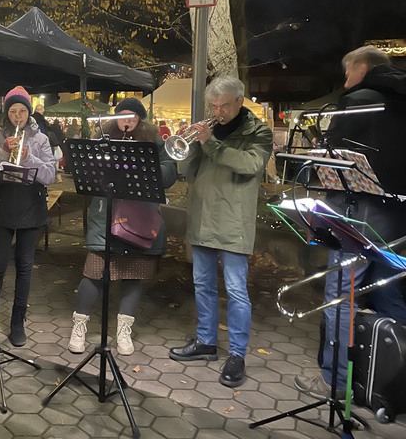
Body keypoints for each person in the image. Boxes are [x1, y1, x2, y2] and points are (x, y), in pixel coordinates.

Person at [294, 45, 406, 400]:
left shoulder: (359, 99)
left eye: (347, 73)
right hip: (398, 215)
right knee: (389, 290)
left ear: (360, 68)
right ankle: (392, 385)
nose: (345, 81)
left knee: (341, 295)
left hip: (358, 210)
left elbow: (333, 160)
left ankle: (336, 381)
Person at [167, 75, 272, 388]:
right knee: (202, 284)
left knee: (236, 291)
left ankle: (237, 354)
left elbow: (249, 165)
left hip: (233, 222)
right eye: (213, 105)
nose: (218, 110)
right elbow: (188, 170)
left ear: (239, 102)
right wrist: (186, 144)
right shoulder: (207, 131)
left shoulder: (259, 132)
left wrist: (209, 141)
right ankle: (206, 342)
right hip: (202, 218)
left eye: (224, 105)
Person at [68, 98, 177, 356]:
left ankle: (124, 330)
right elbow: (84, 170)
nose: (127, 121)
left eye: (133, 116)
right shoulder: (101, 138)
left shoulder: (154, 141)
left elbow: (169, 175)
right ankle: (79, 326)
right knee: (94, 272)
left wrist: (142, 164)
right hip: (105, 216)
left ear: (141, 120)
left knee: (133, 275)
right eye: (122, 116)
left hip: (138, 218)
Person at [0, 86, 56, 346]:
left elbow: (50, 176)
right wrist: (2, 151)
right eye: (13, 111)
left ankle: (17, 323)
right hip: (2, 206)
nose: (18, 116)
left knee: (24, 268)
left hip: (30, 208)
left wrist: (28, 156)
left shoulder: (41, 139)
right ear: (6, 113)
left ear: (29, 112)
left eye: (22, 111)